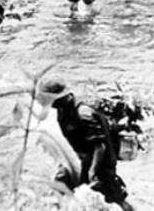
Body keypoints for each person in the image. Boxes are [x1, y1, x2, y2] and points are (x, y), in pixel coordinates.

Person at [44, 79, 135, 211]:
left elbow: (100, 147)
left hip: (99, 162)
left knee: (116, 197)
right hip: (81, 160)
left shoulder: (83, 114)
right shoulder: (63, 110)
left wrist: (93, 171)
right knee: (62, 187)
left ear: (60, 98)